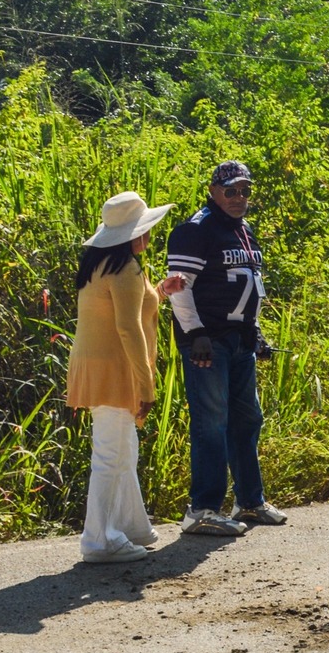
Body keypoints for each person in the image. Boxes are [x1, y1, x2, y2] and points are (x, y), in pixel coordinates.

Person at [165, 160, 286, 536]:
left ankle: (249, 501)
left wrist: (256, 331)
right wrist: (196, 332)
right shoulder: (195, 229)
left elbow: (249, 285)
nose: (238, 197)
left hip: (240, 340)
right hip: (208, 343)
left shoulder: (243, 229)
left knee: (247, 419)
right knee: (211, 423)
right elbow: (179, 287)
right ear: (213, 191)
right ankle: (202, 509)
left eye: (245, 190)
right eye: (230, 190)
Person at [67, 192, 186, 563]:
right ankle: (99, 541)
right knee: (110, 455)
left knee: (123, 449)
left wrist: (160, 291)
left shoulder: (104, 263)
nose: (148, 234)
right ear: (133, 235)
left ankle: (131, 527)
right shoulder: (124, 269)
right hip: (115, 371)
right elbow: (128, 328)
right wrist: (146, 385)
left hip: (97, 367)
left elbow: (132, 306)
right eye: (145, 228)